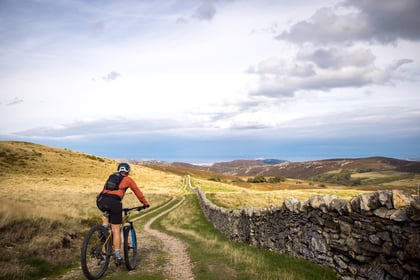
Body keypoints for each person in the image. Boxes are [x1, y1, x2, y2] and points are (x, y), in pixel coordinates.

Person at [96, 162, 149, 265]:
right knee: (116, 229)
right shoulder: (128, 179)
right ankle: (117, 256)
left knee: (107, 212)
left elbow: (104, 190)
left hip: (101, 200)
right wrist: (145, 203)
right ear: (128, 171)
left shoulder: (112, 177)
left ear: (119, 169)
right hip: (114, 202)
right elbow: (137, 192)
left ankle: (103, 229)